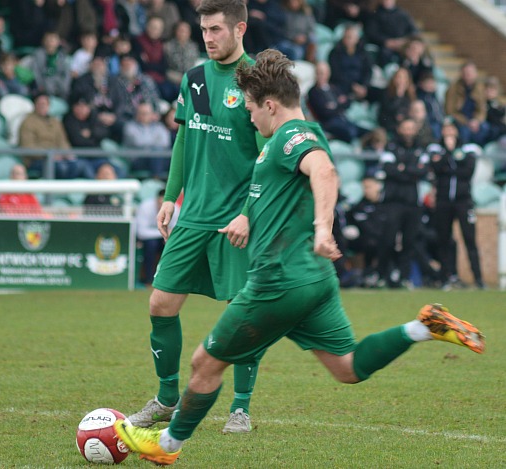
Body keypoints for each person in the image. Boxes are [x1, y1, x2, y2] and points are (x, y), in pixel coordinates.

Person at [113, 48, 486, 466]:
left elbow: (324, 170)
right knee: (347, 367)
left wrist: (323, 228)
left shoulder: (292, 135)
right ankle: (424, 327)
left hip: (278, 281)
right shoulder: (287, 136)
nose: (250, 117)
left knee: (204, 363)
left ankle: (166, 447)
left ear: (270, 105)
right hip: (316, 282)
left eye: (252, 109)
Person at [127, 0, 269, 435]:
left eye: (216, 30)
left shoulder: (259, 82)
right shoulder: (192, 79)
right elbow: (185, 140)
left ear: (239, 28)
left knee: (241, 314)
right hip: (194, 215)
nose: (207, 38)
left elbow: (269, 157)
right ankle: (167, 397)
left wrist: (249, 213)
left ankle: (240, 407)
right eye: (203, 29)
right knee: (160, 304)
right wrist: (171, 197)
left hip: (237, 219)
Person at [427, 121, 484, 290]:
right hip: (444, 201)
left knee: (470, 239)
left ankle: (479, 279)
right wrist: (449, 154)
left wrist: (449, 165)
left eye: (452, 130)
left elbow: (467, 172)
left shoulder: (468, 149)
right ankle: (446, 278)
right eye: (446, 130)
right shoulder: (436, 149)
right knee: (443, 239)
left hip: (463, 201)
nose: (449, 134)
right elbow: (436, 168)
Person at [375, 118, 429, 288]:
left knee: (410, 241)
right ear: (399, 129)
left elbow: (423, 171)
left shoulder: (420, 148)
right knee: (388, 240)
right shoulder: (391, 146)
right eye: (405, 128)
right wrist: (410, 170)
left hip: (412, 203)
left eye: (411, 128)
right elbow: (389, 169)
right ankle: (382, 275)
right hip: (393, 202)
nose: (408, 131)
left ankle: (404, 277)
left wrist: (402, 168)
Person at [136, 188, 178, 286]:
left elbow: (176, 230)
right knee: (151, 244)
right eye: (160, 203)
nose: (161, 207)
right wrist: (163, 233)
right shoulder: (145, 207)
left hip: (165, 239)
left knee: (172, 245)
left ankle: (170, 281)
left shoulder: (175, 209)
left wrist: (168, 236)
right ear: (156, 200)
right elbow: (141, 232)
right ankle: (149, 280)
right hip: (148, 240)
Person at [122, 100, 171, 179]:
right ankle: (157, 180)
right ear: (137, 114)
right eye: (141, 113)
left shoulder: (159, 126)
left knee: (175, 159)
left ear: (152, 114)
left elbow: (165, 143)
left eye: (147, 113)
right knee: (157, 152)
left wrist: (152, 146)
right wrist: (155, 142)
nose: (144, 116)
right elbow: (138, 142)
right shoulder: (130, 127)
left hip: (157, 158)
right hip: (138, 160)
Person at [444, 61, 489, 147]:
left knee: (485, 128)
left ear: (475, 74)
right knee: (464, 131)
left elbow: (482, 110)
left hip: (474, 119)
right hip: (460, 119)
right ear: (461, 73)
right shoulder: (453, 88)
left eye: (470, 72)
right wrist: (467, 122)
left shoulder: (479, 88)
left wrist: (476, 120)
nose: (468, 75)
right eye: (465, 72)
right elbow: (450, 110)